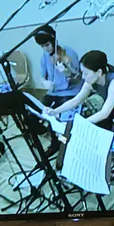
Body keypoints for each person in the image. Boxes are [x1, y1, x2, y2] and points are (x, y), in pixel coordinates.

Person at [34, 26, 82, 155]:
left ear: (53, 40)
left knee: (56, 114)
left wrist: (67, 71)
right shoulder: (44, 57)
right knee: (35, 110)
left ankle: (58, 144)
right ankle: (48, 133)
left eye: (47, 45)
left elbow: (79, 78)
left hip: (70, 91)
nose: (46, 49)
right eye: (42, 46)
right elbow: (42, 76)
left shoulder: (69, 53)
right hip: (54, 92)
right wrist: (44, 82)